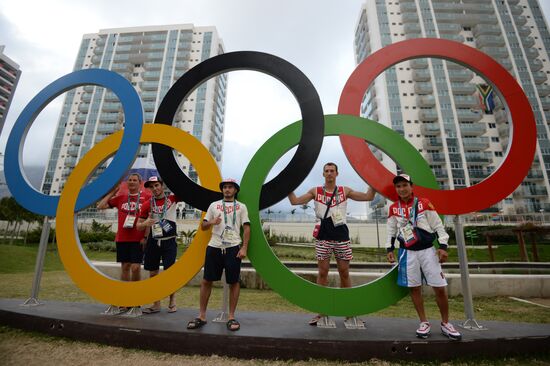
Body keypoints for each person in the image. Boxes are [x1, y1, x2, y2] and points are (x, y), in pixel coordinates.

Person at [288, 162, 375, 325]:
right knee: (322, 273)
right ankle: (321, 312)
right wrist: (286, 187)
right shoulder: (316, 191)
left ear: (337, 173)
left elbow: (368, 197)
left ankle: (349, 312)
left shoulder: (345, 190)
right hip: (323, 236)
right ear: (323, 174)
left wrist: (374, 183)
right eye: (326, 171)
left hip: (341, 235)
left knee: (344, 272)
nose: (329, 173)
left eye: (332, 171)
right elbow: (295, 201)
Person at [386, 173, 461, 340]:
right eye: (398, 186)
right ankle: (424, 322)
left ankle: (446, 323)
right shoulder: (393, 208)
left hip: (428, 250)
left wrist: (442, 246)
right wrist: (389, 249)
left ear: (411, 187)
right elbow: (391, 230)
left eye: (405, 185)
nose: (402, 189)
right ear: (396, 189)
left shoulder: (424, 203)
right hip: (406, 252)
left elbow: (438, 226)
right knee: (414, 287)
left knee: (440, 287)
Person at [187, 178, 250, 331]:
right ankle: (201, 316)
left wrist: (244, 248)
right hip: (214, 246)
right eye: (225, 187)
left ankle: (231, 316)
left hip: (233, 247)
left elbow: (247, 228)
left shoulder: (241, 207)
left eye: (230, 187)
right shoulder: (213, 205)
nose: (227, 189)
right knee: (207, 280)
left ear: (235, 190)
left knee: (234, 282)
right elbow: (203, 226)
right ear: (222, 190)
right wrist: (211, 222)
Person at [96, 173, 149, 314]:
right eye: (130, 180)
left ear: (140, 183)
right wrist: (114, 191)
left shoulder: (146, 197)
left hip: (138, 238)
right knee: (125, 267)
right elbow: (100, 206)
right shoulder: (120, 198)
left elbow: (152, 215)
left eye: (135, 180)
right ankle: (125, 300)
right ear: (127, 183)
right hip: (122, 238)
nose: (132, 182)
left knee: (136, 268)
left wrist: (145, 236)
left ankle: (136, 300)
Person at [137, 176, 180, 314]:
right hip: (154, 241)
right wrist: (145, 224)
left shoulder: (173, 199)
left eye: (157, 185)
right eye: (152, 186)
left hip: (170, 240)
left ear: (162, 186)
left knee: (170, 273)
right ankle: (156, 304)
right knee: (153, 272)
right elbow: (138, 226)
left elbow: (189, 194)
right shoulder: (147, 204)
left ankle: (172, 301)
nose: (154, 188)